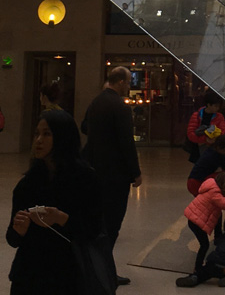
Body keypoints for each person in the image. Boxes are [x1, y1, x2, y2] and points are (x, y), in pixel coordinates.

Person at [7, 109, 103, 295]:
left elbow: (93, 230)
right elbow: (12, 238)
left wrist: (62, 218)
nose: (39, 140)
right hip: (29, 276)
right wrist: (19, 230)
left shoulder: (85, 180)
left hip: (69, 276)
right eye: (36, 134)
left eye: (47, 134)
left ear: (63, 137)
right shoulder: (28, 184)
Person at [82, 66, 142, 288]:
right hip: (115, 175)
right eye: (127, 82)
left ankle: (97, 267)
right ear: (120, 82)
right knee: (112, 224)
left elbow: (85, 126)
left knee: (100, 222)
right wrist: (135, 171)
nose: (128, 86)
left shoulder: (96, 102)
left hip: (95, 170)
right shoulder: (120, 106)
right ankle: (105, 270)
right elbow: (127, 142)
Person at [177, 171, 225, 286]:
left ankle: (198, 274)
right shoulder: (215, 193)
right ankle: (197, 268)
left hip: (193, 219)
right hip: (196, 221)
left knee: (218, 215)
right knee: (205, 245)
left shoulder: (210, 185)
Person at [176, 213, 225, 288]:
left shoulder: (222, 237)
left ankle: (194, 278)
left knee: (203, 273)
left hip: (212, 263)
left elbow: (216, 241)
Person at [187, 91, 225, 163]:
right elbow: (190, 134)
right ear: (209, 105)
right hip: (198, 149)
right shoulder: (196, 116)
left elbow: (222, 132)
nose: (217, 108)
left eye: (219, 106)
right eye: (215, 106)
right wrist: (205, 139)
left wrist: (213, 139)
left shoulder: (219, 117)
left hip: (214, 149)